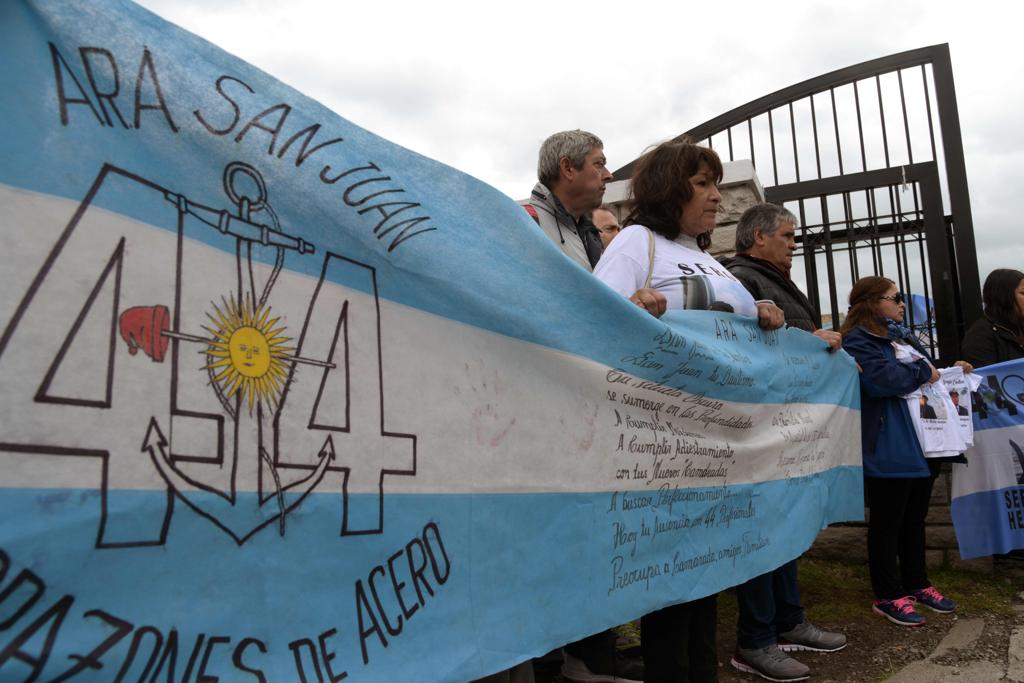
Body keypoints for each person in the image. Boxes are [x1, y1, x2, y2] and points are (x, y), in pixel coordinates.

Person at [595, 139, 784, 683]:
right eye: (702, 183)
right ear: (668, 188)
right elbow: (598, 321)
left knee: (706, 577)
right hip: (667, 446)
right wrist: (632, 309)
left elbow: (729, 326)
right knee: (672, 583)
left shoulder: (705, 257)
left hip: (723, 443)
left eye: (716, 183)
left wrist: (763, 312)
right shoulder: (637, 242)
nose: (715, 195)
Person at [525, 129, 650, 683]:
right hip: (543, 402)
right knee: (554, 533)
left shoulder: (587, 234)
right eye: (600, 164)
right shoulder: (525, 222)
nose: (607, 173)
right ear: (568, 168)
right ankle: (552, 656)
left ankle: (589, 652)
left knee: (595, 531)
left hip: (592, 402)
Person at [721, 203, 847, 682]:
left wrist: (812, 341)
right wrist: (806, 338)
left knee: (787, 525)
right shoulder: (740, 280)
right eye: (788, 236)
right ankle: (755, 640)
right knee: (761, 530)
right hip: (757, 430)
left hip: (787, 427)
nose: (795, 242)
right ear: (757, 237)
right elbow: (740, 344)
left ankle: (788, 620)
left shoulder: (772, 280)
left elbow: (785, 339)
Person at [840, 277, 970, 626]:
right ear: (870, 302)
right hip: (889, 442)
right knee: (887, 522)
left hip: (924, 441)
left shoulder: (900, 336)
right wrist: (922, 371)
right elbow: (883, 381)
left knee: (914, 518)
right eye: (894, 297)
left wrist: (951, 372)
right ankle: (887, 594)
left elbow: (929, 376)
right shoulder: (858, 340)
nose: (901, 303)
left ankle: (917, 583)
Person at [961, 268, 1024, 368]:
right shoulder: (980, 335)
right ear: (1003, 297)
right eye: (1023, 293)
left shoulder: (1019, 326)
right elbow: (986, 379)